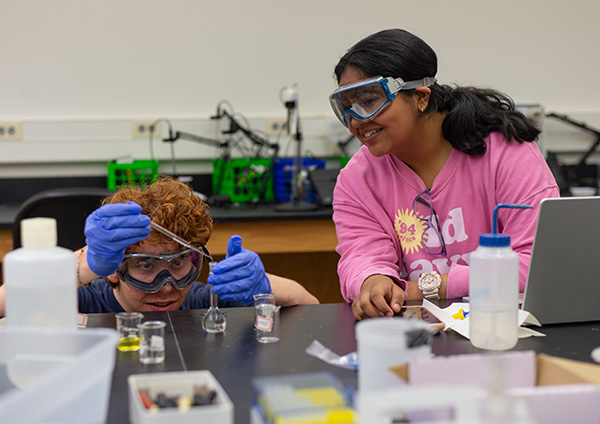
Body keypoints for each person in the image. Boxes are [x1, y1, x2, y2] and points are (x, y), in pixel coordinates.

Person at [329, 29, 559, 320]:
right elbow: (360, 256)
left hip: (507, 332)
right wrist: (372, 281)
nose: (355, 122)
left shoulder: (506, 152)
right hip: (414, 340)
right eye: (347, 108)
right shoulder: (357, 180)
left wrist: (429, 287)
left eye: (369, 101)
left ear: (421, 98)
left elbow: (538, 267)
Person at [0, 176, 319, 316]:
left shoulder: (198, 303)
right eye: (146, 266)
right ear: (113, 270)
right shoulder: (83, 302)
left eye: (179, 263)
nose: (166, 286)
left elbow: (310, 305)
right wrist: (85, 266)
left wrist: (261, 286)